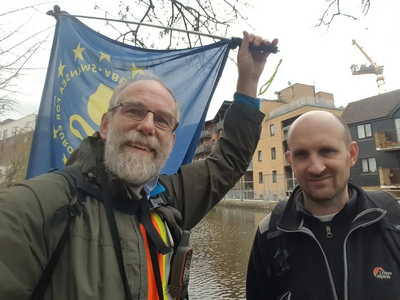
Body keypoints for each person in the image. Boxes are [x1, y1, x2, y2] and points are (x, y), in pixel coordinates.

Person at [0, 31, 278, 300]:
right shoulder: (39, 206)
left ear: (171, 138)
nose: (147, 126)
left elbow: (228, 161)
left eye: (162, 120)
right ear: (106, 125)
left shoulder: (168, 201)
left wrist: (248, 80)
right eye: (134, 111)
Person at [246, 110, 400, 300]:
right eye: (302, 154)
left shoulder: (393, 220)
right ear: (291, 162)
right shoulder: (269, 233)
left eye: (327, 151)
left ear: (351, 155)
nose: (316, 168)